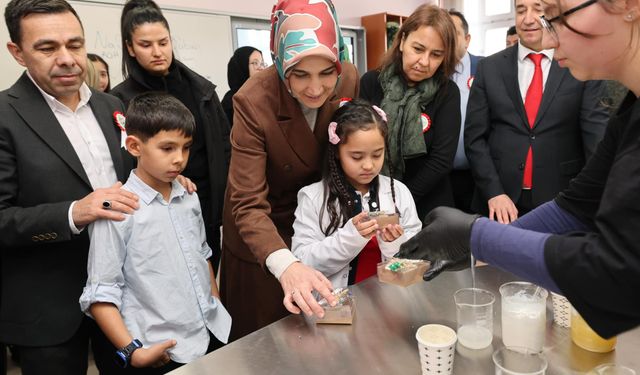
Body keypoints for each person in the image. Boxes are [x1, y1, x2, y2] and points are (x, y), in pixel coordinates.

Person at [398, 0, 640, 339]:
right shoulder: (629, 112)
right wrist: (476, 241)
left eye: (557, 17)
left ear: (627, 5)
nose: (548, 37)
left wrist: (476, 235)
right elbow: (574, 207)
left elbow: (617, 275)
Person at [0, 0, 137, 373]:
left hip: (124, 300)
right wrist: (74, 212)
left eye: (75, 45)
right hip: (48, 312)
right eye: (47, 48)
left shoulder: (112, 105)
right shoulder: (4, 116)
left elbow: (130, 175)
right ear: (18, 52)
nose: (67, 58)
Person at [220, 0, 359, 341]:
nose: (315, 89)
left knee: (319, 338)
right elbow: (248, 204)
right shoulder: (253, 100)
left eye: (327, 73)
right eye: (300, 75)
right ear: (282, 65)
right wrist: (286, 265)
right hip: (263, 235)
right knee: (265, 340)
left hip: (313, 224)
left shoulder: (348, 79)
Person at [80, 93, 231, 374]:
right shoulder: (119, 210)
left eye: (186, 148)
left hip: (208, 333)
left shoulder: (189, 196)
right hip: (157, 350)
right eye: (167, 148)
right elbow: (100, 294)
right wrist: (132, 351)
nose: (179, 159)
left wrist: (216, 305)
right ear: (135, 146)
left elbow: (202, 256)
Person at [111, 0, 230, 273]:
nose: (157, 52)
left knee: (204, 271)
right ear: (130, 47)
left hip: (205, 205)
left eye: (163, 42)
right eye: (145, 45)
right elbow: (124, 161)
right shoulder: (120, 100)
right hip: (152, 212)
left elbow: (225, 148)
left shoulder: (202, 90)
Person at [464, 0, 609, 223]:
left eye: (538, 9)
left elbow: (596, 141)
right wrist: (493, 192)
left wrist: (591, 200)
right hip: (498, 203)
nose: (528, 18)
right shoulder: (489, 68)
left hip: (562, 202)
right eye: (521, 10)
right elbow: (475, 139)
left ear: (555, 13)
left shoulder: (582, 66)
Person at [291, 99, 421, 288]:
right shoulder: (313, 197)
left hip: (391, 303)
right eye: (357, 157)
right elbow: (303, 262)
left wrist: (394, 244)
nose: (368, 165)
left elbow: (415, 259)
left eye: (377, 154)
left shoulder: (398, 192)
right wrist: (350, 237)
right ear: (336, 151)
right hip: (335, 309)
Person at [360, 4, 461, 221]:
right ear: (402, 40)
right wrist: (385, 202)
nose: (424, 62)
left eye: (436, 55)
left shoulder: (447, 92)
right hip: (376, 203)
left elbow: (441, 161)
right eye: (418, 49)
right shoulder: (371, 82)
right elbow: (359, 145)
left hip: (430, 208)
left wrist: (400, 202)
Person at [448, 9, 484, 213]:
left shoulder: (487, 68)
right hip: (440, 178)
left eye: (453, 33)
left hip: (478, 176)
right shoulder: (429, 70)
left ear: (467, 39)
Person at [221, 46, 265, 125]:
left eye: (262, 63)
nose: (261, 68)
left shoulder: (265, 95)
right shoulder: (231, 101)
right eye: (255, 63)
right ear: (242, 66)